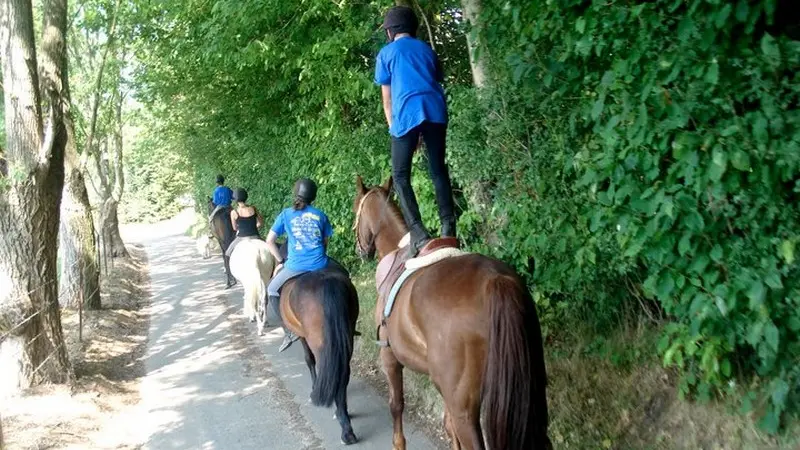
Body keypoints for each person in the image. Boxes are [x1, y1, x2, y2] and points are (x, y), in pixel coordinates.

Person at [375, 6, 457, 257]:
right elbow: (430, 82)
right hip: (435, 112)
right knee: (437, 170)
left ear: (390, 31)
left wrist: (396, 130)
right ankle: (448, 226)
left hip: (406, 116)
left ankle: (418, 232)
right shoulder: (427, 50)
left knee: (400, 176)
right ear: (413, 28)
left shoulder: (386, 54)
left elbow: (388, 101)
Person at [265, 178, 345, 352]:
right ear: (313, 197)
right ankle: (347, 322)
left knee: (271, 290)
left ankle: (289, 331)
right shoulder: (321, 215)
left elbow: (269, 241)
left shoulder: (285, 215)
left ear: (296, 194)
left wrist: (280, 262)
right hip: (321, 263)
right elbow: (325, 243)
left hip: (295, 266)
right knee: (344, 276)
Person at [224, 188, 264, 261]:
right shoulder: (253, 208)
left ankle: (228, 272)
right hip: (255, 236)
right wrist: (254, 227)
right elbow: (260, 223)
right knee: (270, 249)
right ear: (246, 197)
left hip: (241, 238)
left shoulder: (234, 212)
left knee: (227, 253)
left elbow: (235, 228)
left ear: (235, 200)